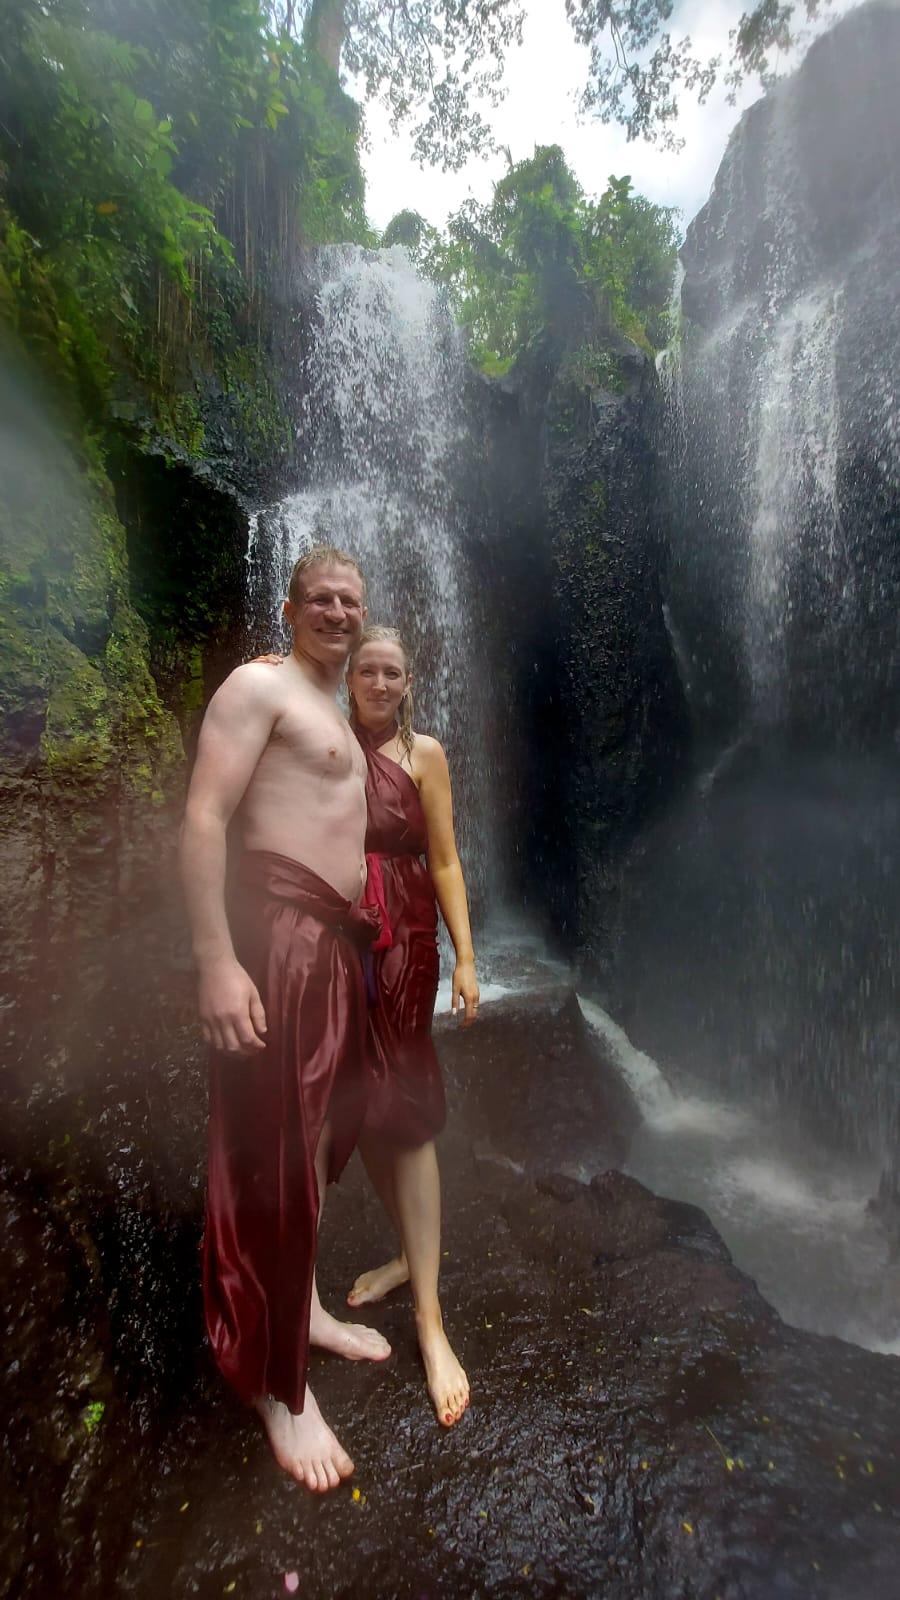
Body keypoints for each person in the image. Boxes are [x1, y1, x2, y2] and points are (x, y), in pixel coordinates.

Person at [179, 546, 392, 1495]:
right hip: (279, 940)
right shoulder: (257, 688)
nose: (338, 614)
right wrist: (218, 961)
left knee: (305, 1145)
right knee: (268, 1145)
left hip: (332, 947)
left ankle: (298, 1309)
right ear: (289, 607)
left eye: (350, 602)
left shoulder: (334, 709)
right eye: (321, 601)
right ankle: (277, 1386)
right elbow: (202, 822)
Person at [345, 626, 480, 1429]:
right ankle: (403, 1251)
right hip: (339, 938)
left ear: (407, 679)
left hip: (406, 944)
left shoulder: (425, 753)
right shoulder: (320, 737)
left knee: (412, 1117)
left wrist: (467, 957)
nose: (380, 681)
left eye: (392, 671)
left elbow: (445, 860)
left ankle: (431, 1323)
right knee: (360, 1107)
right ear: (349, 675)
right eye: (367, 668)